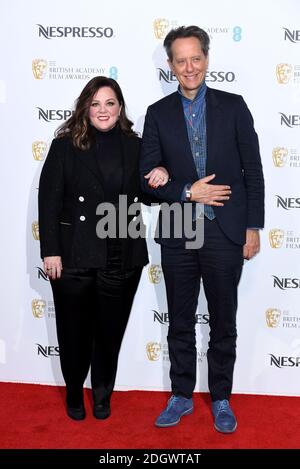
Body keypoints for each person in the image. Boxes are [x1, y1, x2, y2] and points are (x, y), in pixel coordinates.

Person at [140, 26, 264, 433]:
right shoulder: (157, 114)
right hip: (178, 229)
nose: (189, 67)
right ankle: (181, 395)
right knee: (179, 319)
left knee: (223, 321)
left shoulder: (234, 106)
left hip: (226, 231)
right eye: (180, 60)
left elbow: (253, 172)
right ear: (170, 66)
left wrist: (253, 226)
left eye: (196, 58)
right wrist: (186, 190)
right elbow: (147, 181)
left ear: (206, 60)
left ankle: (222, 398)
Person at [38, 76, 168, 421]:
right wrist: (50, 251)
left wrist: (160, 173)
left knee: (109, 333)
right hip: (74, 256)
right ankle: (73, 391)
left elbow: (149, 193)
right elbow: (48, 201)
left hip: (122, 254)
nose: (103, 110)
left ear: (120, 107)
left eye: (109, 103)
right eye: (95, 104)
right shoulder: (65, 146)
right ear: (85, 108)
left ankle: (102, 394)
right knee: (73, 330)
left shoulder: (135, 146)